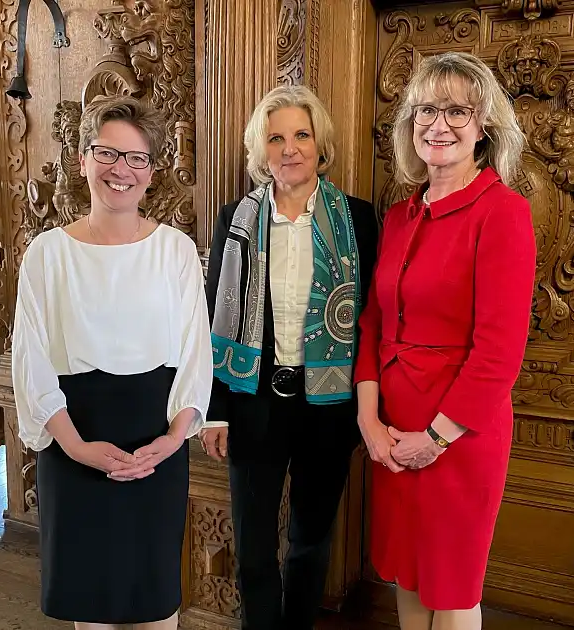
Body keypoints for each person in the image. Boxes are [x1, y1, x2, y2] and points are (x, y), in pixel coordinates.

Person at [11, 95, 213, 630]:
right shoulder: (47, 253)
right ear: (82, 160)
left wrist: (171, 441)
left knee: (156, 611)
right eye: (107, 153)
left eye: (137, 158)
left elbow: (196, 356)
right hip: (74, 442)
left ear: (152, 172)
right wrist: (77, 446)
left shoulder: (176, 250)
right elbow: (31, 360)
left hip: (155, 447)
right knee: (92, 614)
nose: (120, 170)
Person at [354, 52, 536, 630]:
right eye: (427, 109)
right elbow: (372, 325)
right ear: (411, 124)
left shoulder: (503, 213)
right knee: (409, 577)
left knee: (452, 590)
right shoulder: (401, 216)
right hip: (391, 433)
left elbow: (499, 354)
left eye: (458, 110)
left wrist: (435, 438)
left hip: (458, 437)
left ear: (485, 127)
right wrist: (369, 422)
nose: (440, 123)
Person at [199, 85, 379, 630]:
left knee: (310, 543)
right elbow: (214, 317)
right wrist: (215, 408)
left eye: (301, 134)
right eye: (275, 138)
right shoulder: (237, 218)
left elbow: (371, 321)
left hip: (328, 406)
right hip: (253, 404)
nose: (289, 148)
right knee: (253, 549)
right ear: (261, 150)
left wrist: (365, 414)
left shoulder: (360, 219)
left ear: (320, 144)